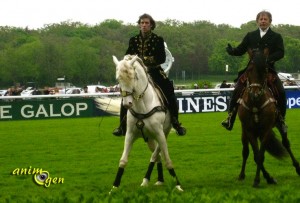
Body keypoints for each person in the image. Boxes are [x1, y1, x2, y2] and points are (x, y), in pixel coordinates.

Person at [113, 13, 186, 136]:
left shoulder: (158, 39)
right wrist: (127, 59)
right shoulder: (133, 40)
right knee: (126, 94)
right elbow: (127, 55)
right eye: (142, 23)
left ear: (151, 25)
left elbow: (162, 58)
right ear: (139, 25)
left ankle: (175, 122)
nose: (144, 25)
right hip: (137, 74)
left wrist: (142, 60)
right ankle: (122, 126)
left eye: (147, 23)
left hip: (154, 71)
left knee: (169, 91)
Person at [221, 10, 287, 134]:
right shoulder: (250, 35)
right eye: (260, 19)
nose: (263, 21)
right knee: (237, 89)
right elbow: (240, 49)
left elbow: (280, 52)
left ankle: (281, 120)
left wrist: (267, 59)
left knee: (282, 92)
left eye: (265, 19)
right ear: (257, 21)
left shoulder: (276, 36)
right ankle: (230, 118)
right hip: (252, 70)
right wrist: (232, 51)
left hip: (268, 70)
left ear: (270, 21)